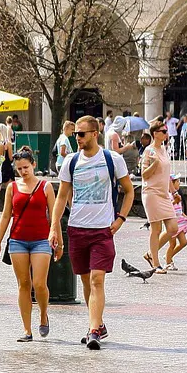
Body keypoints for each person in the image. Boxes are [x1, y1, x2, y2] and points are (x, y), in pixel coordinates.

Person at [49, 116, 136, 350]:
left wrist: (120, 219)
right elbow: (61, 196)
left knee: (98, 280)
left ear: (95, 134)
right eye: (75, 134)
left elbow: (129, 192)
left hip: (102, 230)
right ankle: (97, 323)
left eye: (82, 134)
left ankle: (94, 330)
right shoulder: (71, 161)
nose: (77, 138)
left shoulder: (112, 159)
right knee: (87, 282)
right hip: (78, 229)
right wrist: (54, 227)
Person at [0, 148, 58, 342]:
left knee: (39, 284)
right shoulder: (12, 187)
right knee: (23, 285)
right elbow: (6, 215)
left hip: (41, 240)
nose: (23, 171)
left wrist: (58, 240)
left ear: (34, 165)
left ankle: (43, 315)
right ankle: (27, 330)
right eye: (19, 168)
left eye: (26, 167)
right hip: (17, 240)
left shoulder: (46, 187)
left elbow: (54, 215)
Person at [140, 120, 179, 273]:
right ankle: (156, 264)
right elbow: (144, 175)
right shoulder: (149, 151)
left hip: (164, 194)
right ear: (155, 134)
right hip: (151, 193)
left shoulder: (163, 149)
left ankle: (151, 253)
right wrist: (154, 164)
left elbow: (167, 174)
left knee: (173, 227)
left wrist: (174, 192)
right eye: (163, 131)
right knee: (156, 229)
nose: (166, 134)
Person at [165, 186, 187, 269]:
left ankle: (168, 256)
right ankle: (168, 262)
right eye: (177, 181)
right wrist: (175, 201)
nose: (179, 184)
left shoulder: (177, 195)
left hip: (180, 223)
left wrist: (186, 217)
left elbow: (180, 210)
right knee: (172, 244)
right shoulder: (167, 195)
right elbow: (167, 208)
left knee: (183, 242)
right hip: (172, 222)